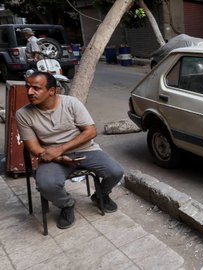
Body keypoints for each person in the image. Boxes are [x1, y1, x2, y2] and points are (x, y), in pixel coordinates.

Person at [16, 72, 124, 229]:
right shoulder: (23, 114)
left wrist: (61, 149)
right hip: (52, 158)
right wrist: (58, 157)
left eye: (36, 88)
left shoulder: (71, 103)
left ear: (51, 90)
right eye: (28, 87)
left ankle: (100, 195)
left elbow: (91, 131)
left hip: (86, 151)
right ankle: (67, 204)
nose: (29, 92)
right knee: (46, 184)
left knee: (116, 172)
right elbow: (33, 148)